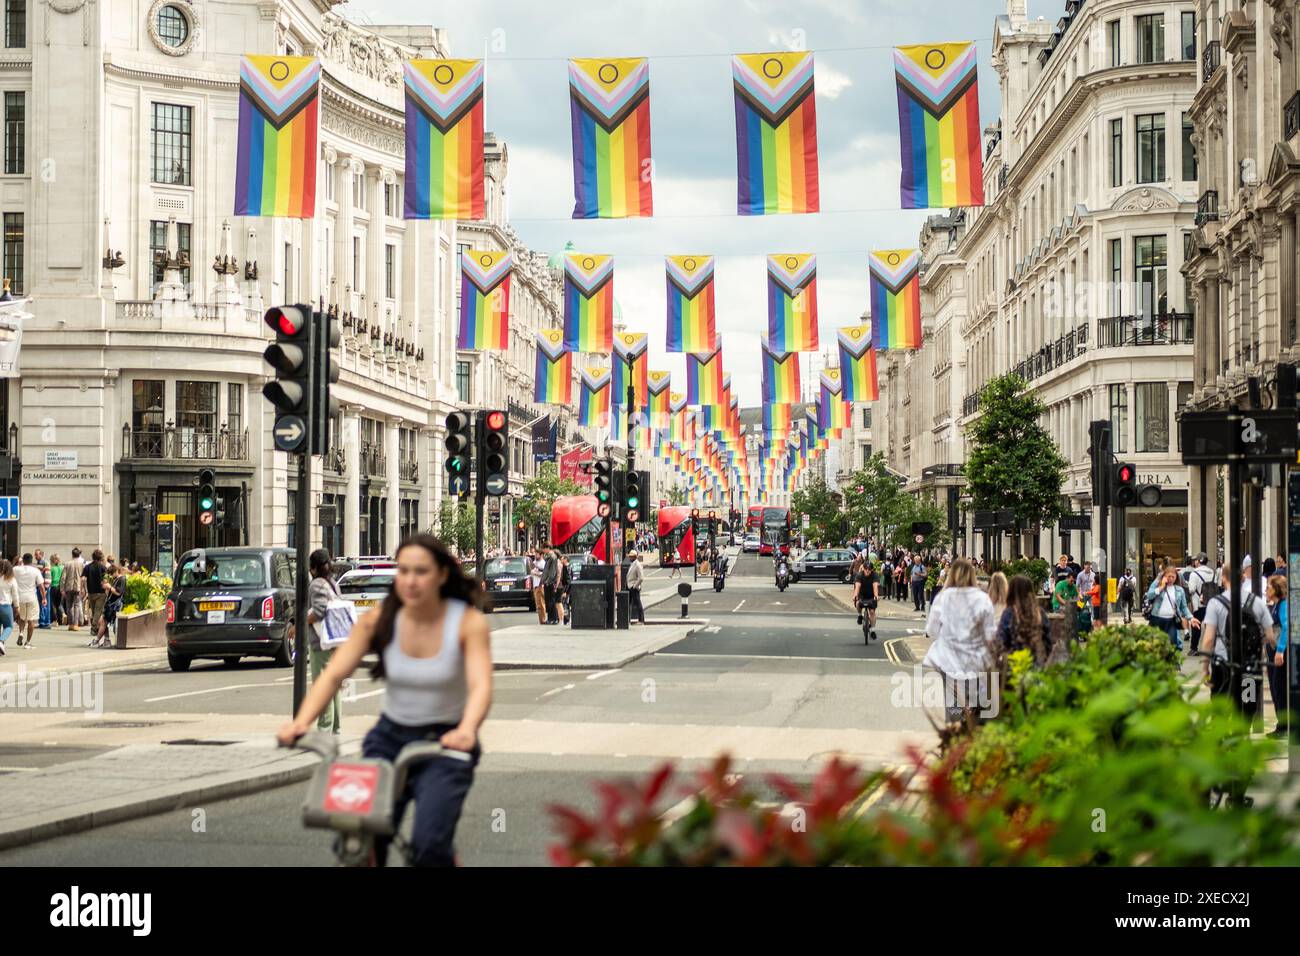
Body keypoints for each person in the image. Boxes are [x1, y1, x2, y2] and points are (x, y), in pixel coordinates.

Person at [278, 535, 492, 867]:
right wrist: (301, 722)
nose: (410, 580)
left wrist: (466, 729)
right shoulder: (380, 619)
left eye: (421, 571)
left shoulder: (466, 623)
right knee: (359, 836)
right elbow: (333, 674)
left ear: (442, 575)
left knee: (430, 847)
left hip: (445, 742)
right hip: (389, 738)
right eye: (403, 570)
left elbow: (480, 685)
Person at [922, 559, 996, 723]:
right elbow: (990, 635)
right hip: (976, 661)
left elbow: (932, 630)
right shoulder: (983, 599)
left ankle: (956, 736)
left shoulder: (943, 597)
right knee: (977, 708)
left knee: (954, 709)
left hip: (949, 662)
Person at [1199, 563, 1274, 705]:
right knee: (1247, 707)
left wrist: (1204, 668)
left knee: (1220, 709)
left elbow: (1208, 640)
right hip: (1250, 666)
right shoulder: (1257, 602)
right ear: (1243, 578)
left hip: (1223, 664)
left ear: (1223, 579)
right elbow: (1270, 637)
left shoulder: (1215, 603)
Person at [306, 549, 343, 734]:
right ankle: (335, 727)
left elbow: (319, 611)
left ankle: (324, 728)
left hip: (322, 641)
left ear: (313, 567)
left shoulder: (317, 585)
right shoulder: (332, 584)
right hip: (336, 639)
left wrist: (299, 625)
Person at [996, 574, 1054, 666]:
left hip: (1015, 666)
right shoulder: (1040, 613)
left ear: (1011, 592)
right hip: (1037, 665)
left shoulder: (1009, 613)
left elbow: (1001, 641)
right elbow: (1048, 642)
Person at [1144, 565, 1197, 651]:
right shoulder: (1157, 583)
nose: (1171, 579)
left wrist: (1191, 618)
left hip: (1171, 621)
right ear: (1164, 576)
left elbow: (1183, 607)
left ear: (1176, 577)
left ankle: (1171, 663)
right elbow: (1149, 595)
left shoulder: (1179, 590)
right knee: (1155, 646)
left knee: (1172, 645)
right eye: (1169, 576)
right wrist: (1161, 587)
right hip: (1156, 619)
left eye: (1173, 577)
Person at [1264, 574, 1289, 738]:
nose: (1266, 590)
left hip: (1280, 652)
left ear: (1276, 589)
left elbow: (1286, 628)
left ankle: (1284, 725)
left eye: (1268, 587)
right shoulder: (1275, 605)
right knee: (1274, 687)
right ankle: (1282, 724)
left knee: (1279, 688)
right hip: (1272, 652)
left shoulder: (1283, 606)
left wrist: (1280, 651)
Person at [91, 563, 127, 648]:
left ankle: (97, 640)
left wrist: (109, 587)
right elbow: (111, 592)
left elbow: (118, 593)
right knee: (102, 622)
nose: (111, 575)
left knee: (103, 622)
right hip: (110, 604)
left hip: (114, 605)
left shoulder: (122, 579)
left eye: (112, 573)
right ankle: (106, 640)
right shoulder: (116, 579)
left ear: (116, 571)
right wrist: (107, 588)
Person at [12, 553, 44, 648]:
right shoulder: (35, 570)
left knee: (22, 618)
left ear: (23, 560)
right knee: (31, 620)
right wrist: (44, 598)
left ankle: (21, 632)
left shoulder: (16, 569)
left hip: (20, 597)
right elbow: (41, 586)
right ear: (31, 560)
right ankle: (27, 642)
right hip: (31, 597)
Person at [853, 558, 880, 642]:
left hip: (871, 595)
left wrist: (876, 596)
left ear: (872, 570)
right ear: (863, 568)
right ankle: (860, 615)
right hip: (862, 594)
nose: (867, 571)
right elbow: (857, 587)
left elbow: (875, 586)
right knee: (858, 603)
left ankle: (872, 630)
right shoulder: (859, 575)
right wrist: (855, 595)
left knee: (872, 612)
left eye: (869, 569)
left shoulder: (875, 575)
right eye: (866, 569)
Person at [62, 547, 86, 632]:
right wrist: (84, 588)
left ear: (72, 554)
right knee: (76, 605)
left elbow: (63, 578)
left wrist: (62, 589)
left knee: (69, 606)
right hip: (78, 587)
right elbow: (83, 578)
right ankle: (76, 624)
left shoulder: (67, 564)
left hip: (68, 587)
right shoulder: (82, 564)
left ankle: (71, 624)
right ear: (79, 554)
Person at [84, 549, 108, 634]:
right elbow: (106, 579)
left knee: (94, 611)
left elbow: (83, 579)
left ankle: (96, 628)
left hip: (91, 592)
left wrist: (84, 590)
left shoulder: (87, 567)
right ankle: (94, 627)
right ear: (101, 557)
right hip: (101, 592)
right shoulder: (103, 567)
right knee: (98, 611)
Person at [626, 550, 646, 625]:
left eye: (631, 556)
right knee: (629, 603)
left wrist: (635, 586)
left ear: (634, 557)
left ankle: (641, 620)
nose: (630, 557)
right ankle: (628, 620)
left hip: (633, 587)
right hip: (630, 586)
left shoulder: (637, 564)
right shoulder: (632, 564)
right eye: (629, 556)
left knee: (638, 603)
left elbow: (641, 578)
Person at [0, 560, 15, 655]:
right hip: (6, 605)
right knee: (9, 626)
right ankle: (1, 641)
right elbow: (15, 595)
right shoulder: (11, 579)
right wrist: (17, 606)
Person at [543, 548, 560, 625]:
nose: (543, 550)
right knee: (549, 601)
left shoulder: (552, 558)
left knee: (551, 601)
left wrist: (547, 581)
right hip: (548, 582)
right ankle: (551, 618)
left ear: (547, 548)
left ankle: (553, 619)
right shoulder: (549, 557)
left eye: (544, 548)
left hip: (550, 583)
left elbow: (552, 572)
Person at [530, 549, 546, 625]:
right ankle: (541, 620)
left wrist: (535, 573)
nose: (536, 556)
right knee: (538, 605)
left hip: (540, 585)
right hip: (535, 585)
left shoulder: (543, 563)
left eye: (537, 554)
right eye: (535, 554)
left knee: (541, 603)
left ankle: (543, 619)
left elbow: (543, 575)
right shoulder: (534, 563)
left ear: (541, 555)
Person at [48, 555, 64, 627]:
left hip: (53, 587)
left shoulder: (52, 569)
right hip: (60, 587)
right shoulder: (62, 568)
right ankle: (60, 620)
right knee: (59, 604)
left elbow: (50, 579)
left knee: (53, 604)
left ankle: (54, 620)